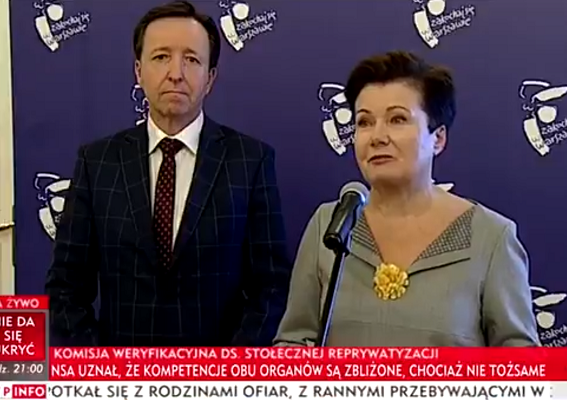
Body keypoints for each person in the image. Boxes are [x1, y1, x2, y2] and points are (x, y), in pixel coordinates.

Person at [45, 0, 291, 346]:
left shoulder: (250, 162)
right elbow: (65, 288)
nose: (176, 72)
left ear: (210, 78)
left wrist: (229, 369)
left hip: (218, 374)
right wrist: (104, 367)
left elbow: (272, 286)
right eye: (161, 57)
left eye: (191, 59)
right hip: (119, 373)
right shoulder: (97, 162)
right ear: (138, 71)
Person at [273, 51, 539, 347]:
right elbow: (293, 343)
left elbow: (521, 363)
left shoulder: (491, 237)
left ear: (438, 138)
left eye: (397, 119)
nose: (377, 137)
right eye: (364, 122)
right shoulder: (331, 224)